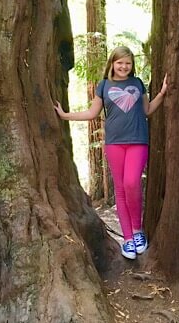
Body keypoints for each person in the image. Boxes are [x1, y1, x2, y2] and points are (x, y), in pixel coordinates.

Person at [54, 46, 168, 260]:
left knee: (132, 183)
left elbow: (147, 111)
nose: (124, 66)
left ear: (131, 65)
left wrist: (162, 93)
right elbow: (92, 112)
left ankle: (137, 231)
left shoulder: (137, 84)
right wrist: (64, 115)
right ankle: (127, 239)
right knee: (121, 189)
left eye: (128, 63)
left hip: (138, 141)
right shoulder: (104, 86)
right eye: (120, 62)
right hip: (114, 144)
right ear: (112, 64)